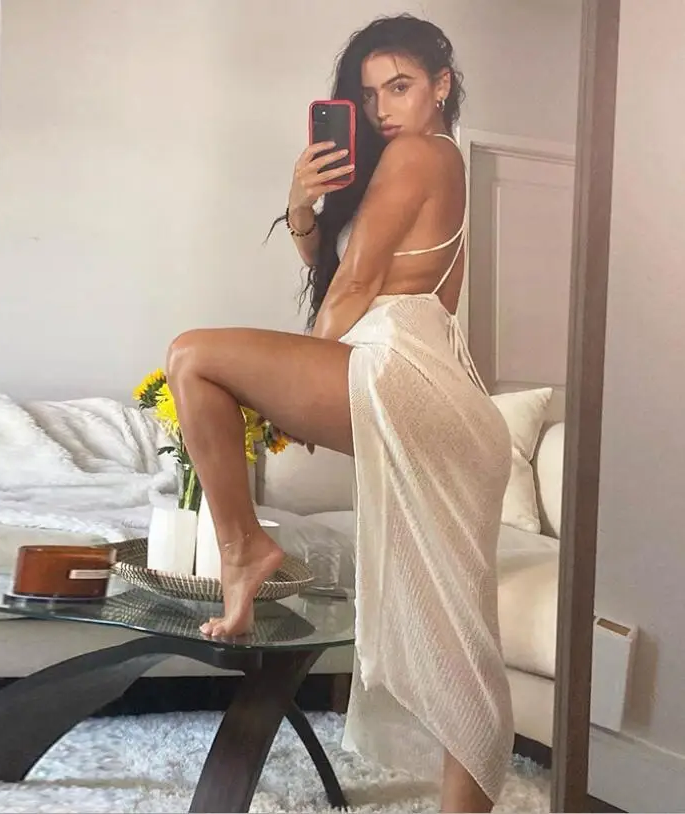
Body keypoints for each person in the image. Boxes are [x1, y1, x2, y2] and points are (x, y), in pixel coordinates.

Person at [166, 14, 513, 813]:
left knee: (191, 355)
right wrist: (301, 208)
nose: (383, 107)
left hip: (403, 374)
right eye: (369, 93)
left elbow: (353, 288)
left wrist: (304, 376)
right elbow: (350, 275)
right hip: (439, 397)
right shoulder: (434, 162)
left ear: (441, 87)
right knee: (459, 635)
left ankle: (244, 549)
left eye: (400, 86)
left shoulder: (421, 152)